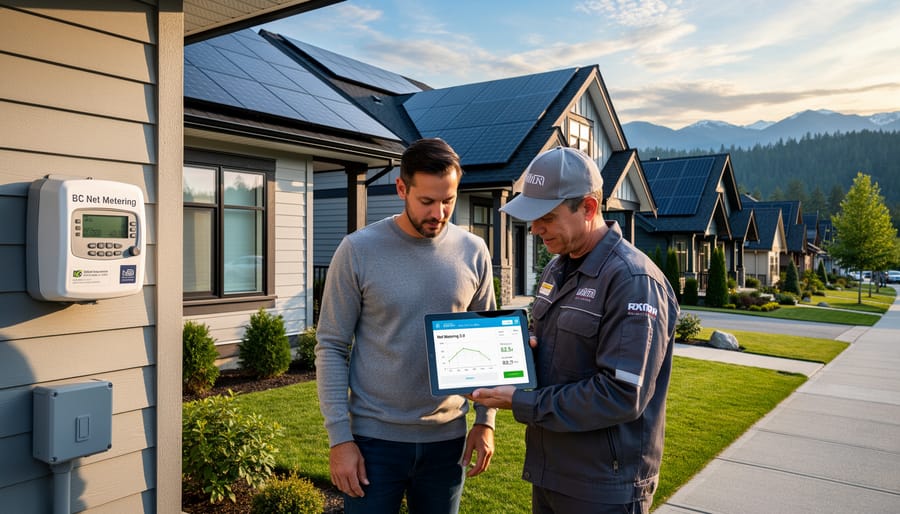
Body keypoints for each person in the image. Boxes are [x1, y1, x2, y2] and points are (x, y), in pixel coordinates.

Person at [471, 146, 679, 514]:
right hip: (553, 472)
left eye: (546, 217)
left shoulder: (633, 281)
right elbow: (560, 354)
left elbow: (620, 394)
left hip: (603, 487)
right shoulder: (557, 268)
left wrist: (519, 401)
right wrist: (521, 355)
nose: (535, 229)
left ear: (588, 208)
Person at [315, 138, 497, 514]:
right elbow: (331, 345)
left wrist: (486, 422)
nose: (440, 212)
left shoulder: (474, 251)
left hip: (448, 442)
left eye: (448, 200)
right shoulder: (358, 250)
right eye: (427, 201)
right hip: (373, 443)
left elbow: (488, 342)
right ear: (402, 188)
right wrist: (339, 440)